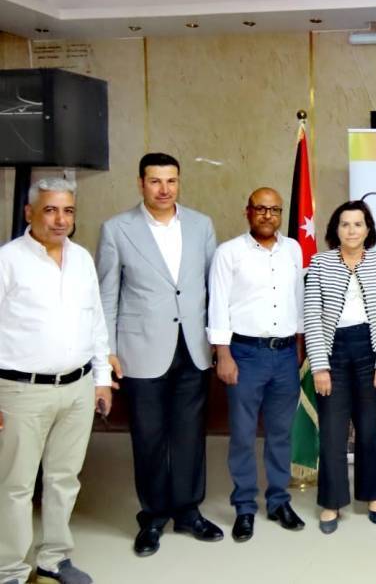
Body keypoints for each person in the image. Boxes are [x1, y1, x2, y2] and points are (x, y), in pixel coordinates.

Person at [96, 153, 221, 556]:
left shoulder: (201, 225)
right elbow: (107, 296)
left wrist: (217, 340)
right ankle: (152, 516)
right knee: (148, 437)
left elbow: (213, 287)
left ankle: (188, 511)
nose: (164, 189)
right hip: (141, 350)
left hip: (193, 348)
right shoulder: (117, 229)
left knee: (189, 435)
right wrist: (107, 352)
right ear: (141, 183)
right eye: (155, 181)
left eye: (171, 181)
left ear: (179, 182)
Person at [0, 179, 112, 584]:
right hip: (21, 391)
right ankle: (10, 570)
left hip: (77, 389)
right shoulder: (8, 260)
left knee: (63, 479)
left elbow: (95, 321)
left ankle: (54, 558)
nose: (61, 219)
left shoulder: (81, 259)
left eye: (68, 211)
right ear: (29, 213)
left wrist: (101, 380)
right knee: (15, 485)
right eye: (50, 210)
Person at [208, 188, 305, 543]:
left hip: (285, 354)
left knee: (281, 433)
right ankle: (245, 506)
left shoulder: (293, 249)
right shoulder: (229, 253)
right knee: (243, 434)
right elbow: (218, 304)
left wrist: (299, 345)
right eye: (261, 209)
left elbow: (298, 299)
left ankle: (278, 501)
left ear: (280, 214)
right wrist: (223, 353)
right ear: (247, 212)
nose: (268, 215)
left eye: (274, 209)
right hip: (245, 354)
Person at [304, 200, 376, 534]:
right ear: (336, 229)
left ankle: (373, 496)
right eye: (345, 224)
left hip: (370, 351)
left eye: (358, 224)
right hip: (332, 352)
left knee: (368, 428)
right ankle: (331, 502)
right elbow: (312, 318)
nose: (352, 230)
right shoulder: (320, 263)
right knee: (332, 430)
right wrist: (320, 367)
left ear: (368, 229)